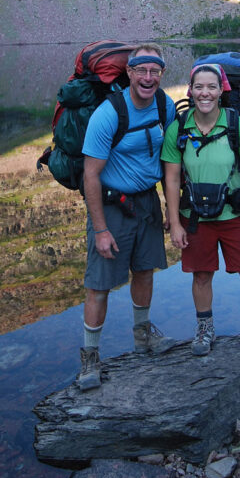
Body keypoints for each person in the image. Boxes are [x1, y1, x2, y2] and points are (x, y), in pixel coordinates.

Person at [79, 43, 177, 390]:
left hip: (147, 202)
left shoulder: (165, 106)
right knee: (99, 285)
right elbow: (90, 175)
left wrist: (171, 208)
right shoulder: (109, 113)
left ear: (161, 74)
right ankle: (90, 358)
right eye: (142, 71)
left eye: (155, 71)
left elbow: (170, 163)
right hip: (112, 207)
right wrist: (101, 230)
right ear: (130, 73)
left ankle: (142, 334)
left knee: (145, 271)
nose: (148, 78)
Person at [161, 63, 240, 369]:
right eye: (199, 87)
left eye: (211, 87)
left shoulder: (238, 126)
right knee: (201, 274)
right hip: (195, 216)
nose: (204, 93)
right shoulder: (179, 129)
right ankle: (205, 329)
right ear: (190, 91)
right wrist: (175, 222)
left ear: (222, 90)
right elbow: (171, 179)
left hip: (236, 215)